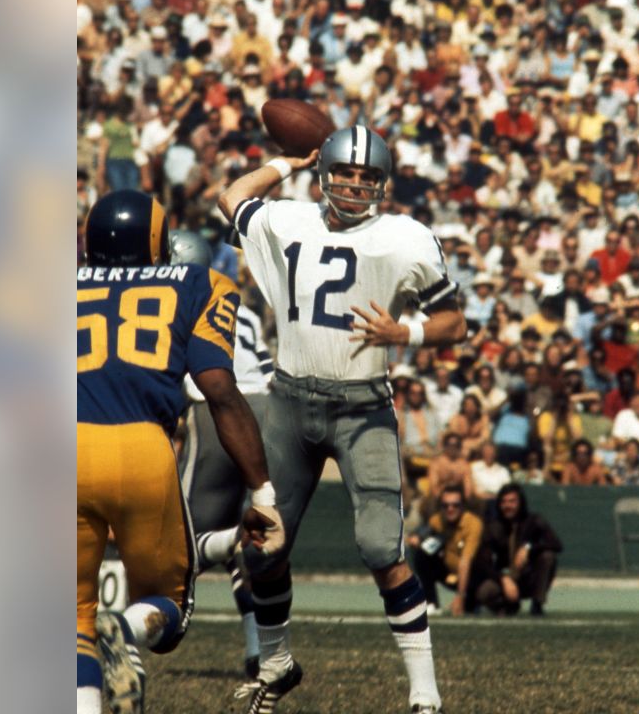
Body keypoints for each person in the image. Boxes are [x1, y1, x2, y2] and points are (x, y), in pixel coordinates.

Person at [218, 126, 466, 714]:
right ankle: (276, 667)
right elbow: (232, 197)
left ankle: (424, 692)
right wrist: (287, 160)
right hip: (289, 400)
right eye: (345, 173)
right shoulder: (289, 220)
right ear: (324, 174)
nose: (355, 185)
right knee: (262, 545)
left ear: (383, 185)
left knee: (382, 547)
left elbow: (454, 322)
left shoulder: (405, 238)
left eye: (367, 177)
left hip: (363, 407)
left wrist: (404, 332)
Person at [77, 192, 285, 714]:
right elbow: (217, 387)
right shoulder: (199, 282)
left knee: (73, 616)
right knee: (169, 606)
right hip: (140, 449)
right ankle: (124, 628)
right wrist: (262, 489)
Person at [170, 232, 274, 680]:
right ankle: (262, 650)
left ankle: (132, 633)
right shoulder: (242, 308)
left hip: (216, 413)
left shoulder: (171, 297)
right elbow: (268, 371)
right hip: (266, 413)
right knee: (249, 545)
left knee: (179, 542)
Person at [474, 484, 562, 616]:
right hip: (504, 580)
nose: (507, 506)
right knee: (484, 592)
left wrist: (529, 548)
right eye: (504, 502)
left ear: (521, 502)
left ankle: (537, 603)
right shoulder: (493, 527)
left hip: (528, 576)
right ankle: (507, 606)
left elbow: (556, 544)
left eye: (512, 501)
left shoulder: (534, 521)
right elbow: (482, 561)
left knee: (548, 557)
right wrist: (502, 578)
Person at [408, 486, 484, 617]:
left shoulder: (474, 523)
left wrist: (460, 596)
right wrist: (417, 539)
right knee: (422, 554)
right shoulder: (436, 520)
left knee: (476, 602)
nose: (450, 509)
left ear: (463, 506)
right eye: (445, 505)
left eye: (455, 505)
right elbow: (423, 536)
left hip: (472, 575)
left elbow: (466, 561)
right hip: (449, 574)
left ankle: (471, 600)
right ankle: (431, 602)